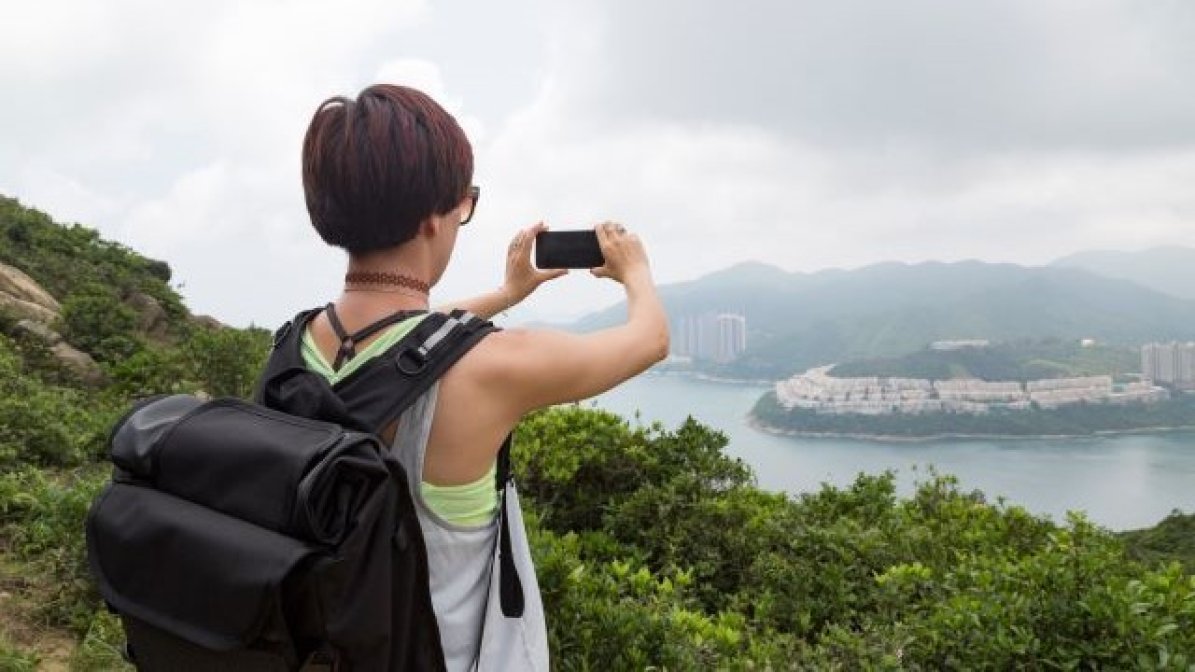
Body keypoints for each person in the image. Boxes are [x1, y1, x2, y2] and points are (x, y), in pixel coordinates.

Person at [299, 84, 669, 670]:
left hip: (328, 645)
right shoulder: (491, 369)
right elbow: (649, 339)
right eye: (462, 204)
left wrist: (506, 293)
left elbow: (406, 340)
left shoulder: (299, 343)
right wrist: (636, 271)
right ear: (431, 219)